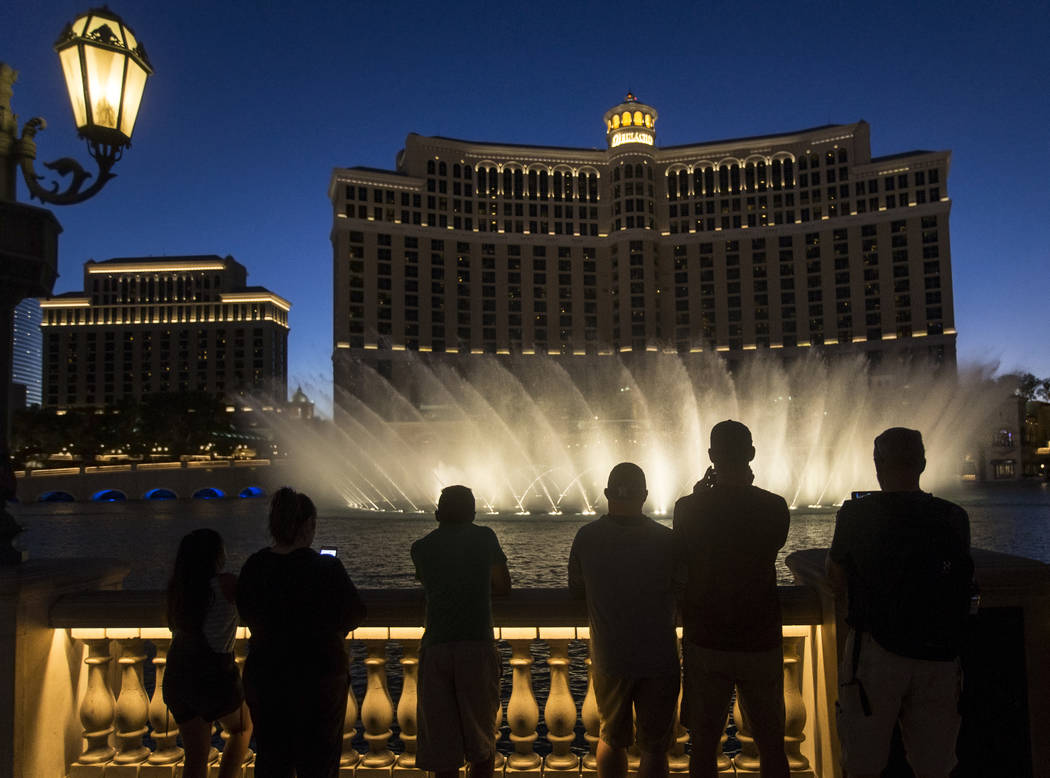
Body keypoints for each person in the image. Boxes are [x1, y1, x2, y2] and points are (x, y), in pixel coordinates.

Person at [827, 427, 972, 778]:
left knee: (863, 761)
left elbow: (835, 580)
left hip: (875, 655)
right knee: (935, 765)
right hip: (939, 655)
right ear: (922, 464)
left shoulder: (856, 514)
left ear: (878, 466)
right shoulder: (953, 517)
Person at [673, 420, 790, 778]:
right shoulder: (774, 507)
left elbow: (683, 553)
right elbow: (771, 545)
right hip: (760, 639)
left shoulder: (688, 508)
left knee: (704, 744)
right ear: (752, 454)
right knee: (772, 743)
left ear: (711, 456)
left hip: (706, 640)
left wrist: (698, 494)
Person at [237, 487, 366, 778]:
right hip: (318, 680)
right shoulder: (326, 567)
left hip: (266, 679)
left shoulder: (256, 565)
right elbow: (355, 613)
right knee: (319, 765)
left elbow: (245, 611)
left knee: (272, 761)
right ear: (308, 525)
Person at [568, 463, 679, 778]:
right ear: (645, 495)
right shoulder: (667, 540)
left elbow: (576, 590)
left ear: (605, 494)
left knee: (612, 739)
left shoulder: (587, 537)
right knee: (656, 747)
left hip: (611, 657)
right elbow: (683, 587)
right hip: (659, 657)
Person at [410, 485, 511, 778]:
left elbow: (427, 583)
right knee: (482, 747)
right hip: (477, 648)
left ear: (437, 514)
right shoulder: (485, 538)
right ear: (473, 513)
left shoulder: (421, 547)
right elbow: (503, 585)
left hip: (436, 650)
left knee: (443, 754)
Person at [163, 528, 252, 778]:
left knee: (196, 756)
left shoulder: (178, 590)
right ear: (215, 555)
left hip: (178, 677)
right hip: (213, 677)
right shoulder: (226, 584)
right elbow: (256, 601)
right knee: (242, 730)